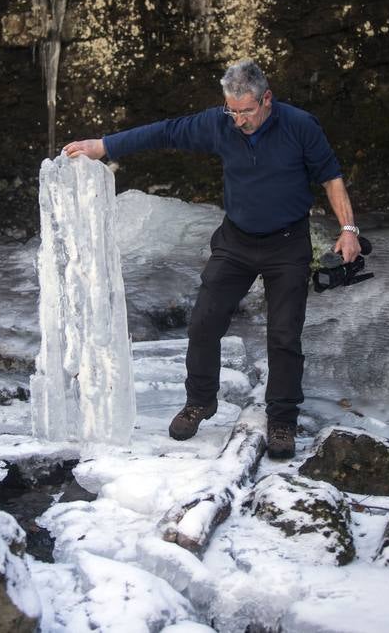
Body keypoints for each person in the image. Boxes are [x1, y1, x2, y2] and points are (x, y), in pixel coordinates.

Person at [64, 59, 360, 459]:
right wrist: (104, 145)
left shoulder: (300, 125)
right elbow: (165, 131)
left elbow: (331, 177)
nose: (239, 121)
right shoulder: (219, 123)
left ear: (266, 99)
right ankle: (201, 401)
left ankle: (282, 420)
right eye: (232, 111)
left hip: (287, 245)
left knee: (284, 335)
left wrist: (348, 229)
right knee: (203, 323)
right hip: (235, 241)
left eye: (247, 111)